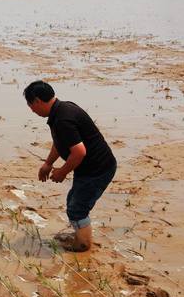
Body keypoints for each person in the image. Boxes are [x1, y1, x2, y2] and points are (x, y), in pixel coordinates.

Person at [23, 80, 117, 252]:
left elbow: (79, 152)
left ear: (37, 101)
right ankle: (80, 234)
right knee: (73, 201)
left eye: (30, 105)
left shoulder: (62, 119)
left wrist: (62, 172)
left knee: (77, 209)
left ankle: (83, 245)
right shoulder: (61, 109)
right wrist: (48, 163)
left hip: (98, 169)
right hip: (89, 168)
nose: (31, 110)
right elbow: (61, 143)